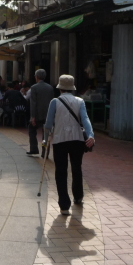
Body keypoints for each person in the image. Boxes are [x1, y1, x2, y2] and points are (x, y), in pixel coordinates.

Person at [44, 75, 95, 215]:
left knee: (61, 171)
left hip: (60, 140)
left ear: (59, 88)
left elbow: (48, 124)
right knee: (76, 168)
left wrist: (45, 137)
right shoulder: (80, 101)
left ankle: (64, 205)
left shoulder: (54, 102)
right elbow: (85, 119)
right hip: (77, 140)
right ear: (72, 88)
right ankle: (78, 196)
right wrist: (91, 135)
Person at [28, 69, 55, 157]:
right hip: (48, 115)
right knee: (46, 134)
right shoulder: (50, 87)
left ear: (37, 77)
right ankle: (45, 153)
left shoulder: (34, 87)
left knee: (32, 129)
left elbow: (33, 103)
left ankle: (34, 149)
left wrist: (33, 117)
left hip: (37, 114)